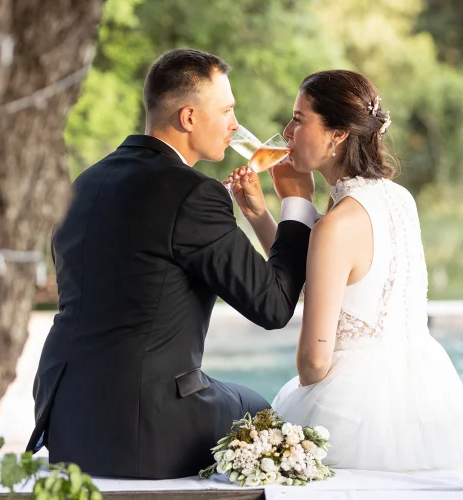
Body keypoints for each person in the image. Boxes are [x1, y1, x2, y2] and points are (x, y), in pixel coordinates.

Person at [26, 48, 318, 479]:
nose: (236, 124)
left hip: (64, 416)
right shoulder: (194, 193)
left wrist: (255, 213)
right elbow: (273, 305)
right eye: (227, 110)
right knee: (266, 414)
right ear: (188, 118)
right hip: (144, 427)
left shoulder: (86, 183)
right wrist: (297, 203)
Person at [230, 70, 463, 496]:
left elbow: (312, 364)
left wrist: (296, 201)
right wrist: (262, 214)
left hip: (353, 409)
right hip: (421, 390)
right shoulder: (398, 199)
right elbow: (326, 274)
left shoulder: (338, 223)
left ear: (336, 134)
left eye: (299, 119)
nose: (286, 133)